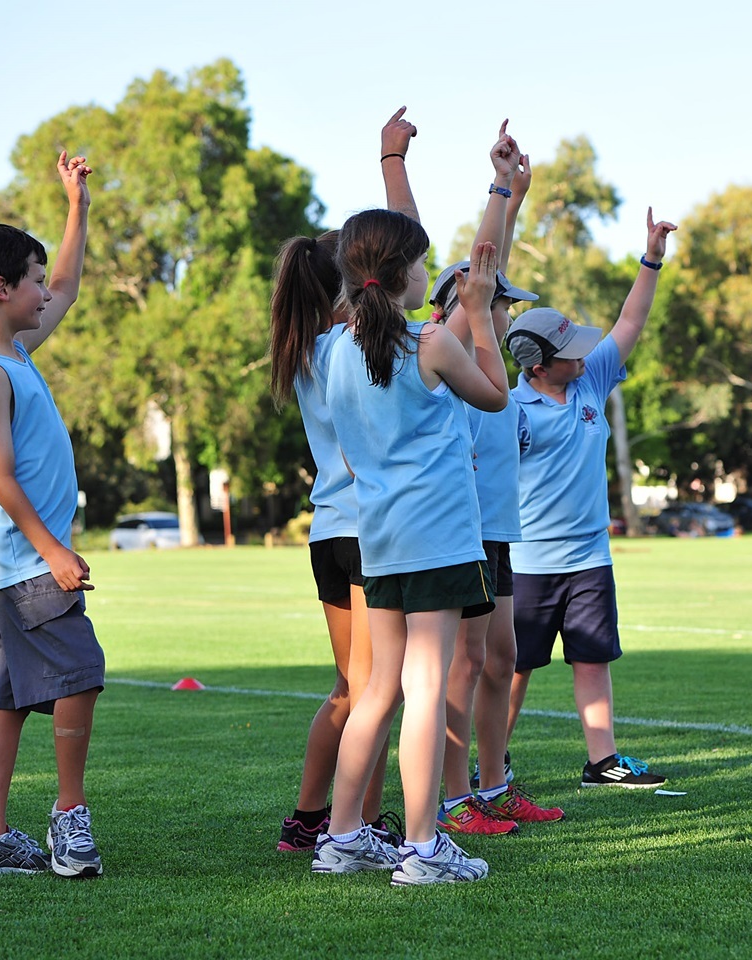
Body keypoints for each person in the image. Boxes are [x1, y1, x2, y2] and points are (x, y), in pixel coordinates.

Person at [313, 133, 516, 887]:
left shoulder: (334, 350)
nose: (432, 275)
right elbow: (495, 397)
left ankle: (341, 836)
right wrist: (481, 314)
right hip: (437, 536)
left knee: (378, 690)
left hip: (381, 538)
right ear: (402, 275)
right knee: (425, 689)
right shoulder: (428, 344)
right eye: (423, 264)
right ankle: (424, 847)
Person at [265, 108, 424, 854]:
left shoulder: (307, 347)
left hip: (330, 531)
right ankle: (352, 826)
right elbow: (407, 252)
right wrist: (394, 165)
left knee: (351, 686)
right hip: (367, 530)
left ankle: (312, 817)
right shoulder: (352, 344)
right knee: (376, 688)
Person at [0, 151, 104, 877]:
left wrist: (77, 207)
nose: (46, 290)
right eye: (32, 280)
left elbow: (67, 286)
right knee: (81, 674)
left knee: (8, 702)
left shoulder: (13, 354)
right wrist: (54, 551)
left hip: (14, 564)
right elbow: (0, 477)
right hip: (28, 562)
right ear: (1, 289)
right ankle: (69, 817)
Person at [503, 207, 677, 790]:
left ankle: (603, 762)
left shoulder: (590, 380)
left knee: (593, 660)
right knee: (513, 669)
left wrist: (651, 258)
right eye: (571, 350)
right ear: (538, 366)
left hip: (589, 559)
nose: (585, 354)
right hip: (527, 564)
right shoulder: (507, 408)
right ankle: (490, 763)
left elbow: (630, 320)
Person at [428, 152, 565, 836]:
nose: (505, 309)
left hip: (498, 532)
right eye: (496, 301)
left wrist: (513, 196)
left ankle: (493, 785)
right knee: (466, 663)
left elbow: (489, 265)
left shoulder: (490, 369)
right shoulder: (447, 361)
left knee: (501, 659)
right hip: (465, 531)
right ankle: (456, 800)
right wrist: (499, 191)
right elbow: (479, 279)